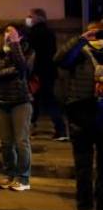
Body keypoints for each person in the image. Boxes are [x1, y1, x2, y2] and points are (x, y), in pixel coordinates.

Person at [54, 21, 103, 210]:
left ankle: (100, 209)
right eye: (94, 32)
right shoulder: (79, 51)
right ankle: (84, 206)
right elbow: (60, 59)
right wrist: (81, 39)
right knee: (83, 164)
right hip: (81, 111)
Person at [0, 23, 35, 191]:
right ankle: (10, 175)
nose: (7, 34)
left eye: (12, 32)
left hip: (21, 101)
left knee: (21, 141)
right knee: (6, 142)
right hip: (0, 101)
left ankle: (23, 178)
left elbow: (23, 68)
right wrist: (10, 71)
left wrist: (15, 45)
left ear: (20, 36)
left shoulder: (27, 50)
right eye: (6, 31)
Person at [26, 9, 67, 140]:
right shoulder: (49, 32)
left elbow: (32, 54)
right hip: (48, 71)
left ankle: (59, 129)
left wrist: (33, 72)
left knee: (40, 100)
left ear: (38, 18)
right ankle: (58, 128)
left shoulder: (34, 33)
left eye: (30, 16)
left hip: (38, 72)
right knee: (40, 100)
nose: (28, 19)